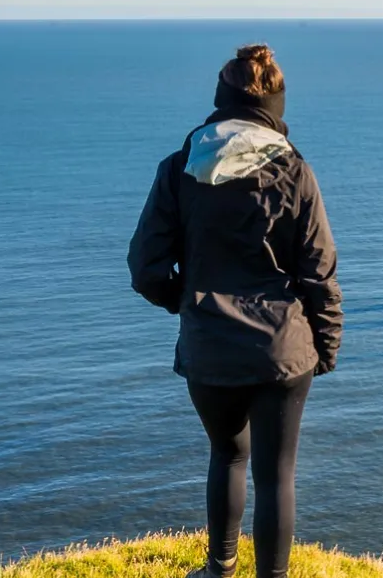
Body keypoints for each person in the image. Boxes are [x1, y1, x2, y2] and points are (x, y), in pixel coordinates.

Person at [128, 44, 343, 578]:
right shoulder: (295, 171)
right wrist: (326, 346)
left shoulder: (179, 168)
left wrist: (188, 302)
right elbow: (319, 273)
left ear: (221, 100)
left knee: (228, 456)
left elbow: (145, 267)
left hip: (210, 344)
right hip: (283, 347)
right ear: (276, 105)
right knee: (276, 476)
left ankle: (219, 570)